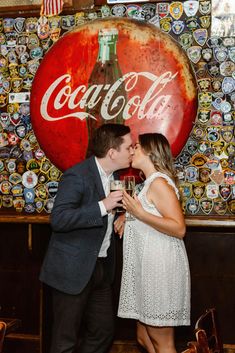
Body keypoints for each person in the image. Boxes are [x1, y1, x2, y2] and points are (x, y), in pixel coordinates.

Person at [40, 123, 133, 353]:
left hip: (101, 268)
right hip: (72, 269)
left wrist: (123, 215)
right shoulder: (77, 175)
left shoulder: (117, 176)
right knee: (65, 340)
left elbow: (108, 217)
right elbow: (59, 219)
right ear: (112, 152)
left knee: (103, 332)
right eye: (129, 147)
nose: (133, 151)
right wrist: (103, 206)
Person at [115, 133, 190, 353]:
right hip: (146, 270)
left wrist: (138, 213)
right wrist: (127, 217)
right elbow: (151, 214)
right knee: (143, 337)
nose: (131, 151)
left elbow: (179, 228)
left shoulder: (158, 182)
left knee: (163, 343)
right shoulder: (149, 183)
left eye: (136, 147)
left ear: (149, 152)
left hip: (160, 270)